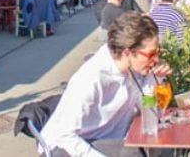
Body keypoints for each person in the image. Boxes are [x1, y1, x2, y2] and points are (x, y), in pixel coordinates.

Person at [40, 13, 171, 156]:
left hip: (107, 140)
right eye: (151, 54)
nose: (156, 59)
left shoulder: (130, 69)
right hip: (69, 147)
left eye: (158, 52)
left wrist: (154, 78)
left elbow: (146, 109)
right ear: (127, 53)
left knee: (162, 148)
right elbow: (64, 135)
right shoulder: (92, 78)